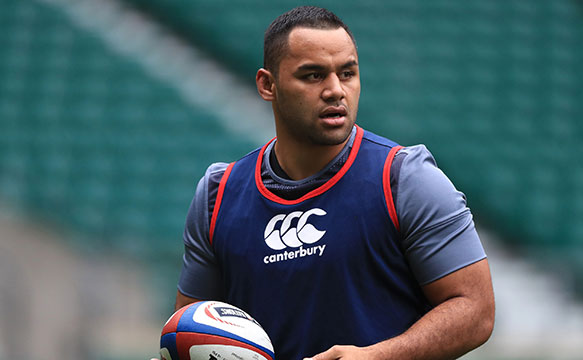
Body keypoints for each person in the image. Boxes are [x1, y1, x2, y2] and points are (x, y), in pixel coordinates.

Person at [170, 6, 494, 360]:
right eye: (313, 76)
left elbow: (476, 311)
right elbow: (192, 329)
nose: (336, 91)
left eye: (348, 73)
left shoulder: (406, 179)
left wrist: (377, 356)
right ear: (267, 85)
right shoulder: (218, 195)